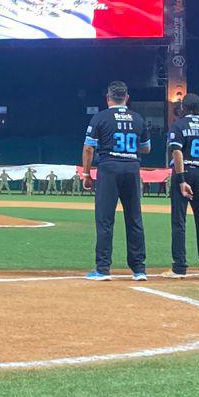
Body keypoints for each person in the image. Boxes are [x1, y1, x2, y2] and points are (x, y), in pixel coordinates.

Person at [82, 82, 148, 280]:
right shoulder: (138, 118)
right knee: (134, 218)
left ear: (108, 97)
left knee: (105, 219)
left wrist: (86, 174)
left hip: (109, 167)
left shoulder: (100, 117)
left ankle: (103, 269)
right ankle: (139, 269)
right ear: (126, 97)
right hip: (131, 167)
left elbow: (88, 148)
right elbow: (146, 148)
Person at [166, 93, 199, 278]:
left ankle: (179, 267)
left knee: (179, 221)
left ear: (184, 107)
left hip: (184, 172)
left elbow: (177, 153)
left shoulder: (178, 125)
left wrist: (181, 179)